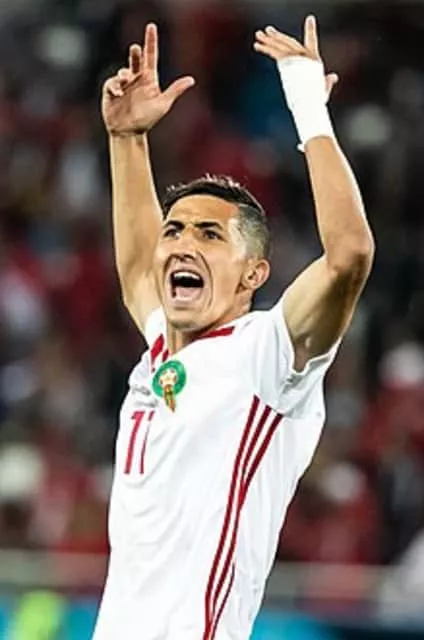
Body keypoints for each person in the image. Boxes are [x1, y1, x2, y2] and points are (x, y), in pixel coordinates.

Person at [94, 16, 374, 640]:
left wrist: (307, 107)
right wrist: (127, 139)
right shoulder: (161, 351)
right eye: (174, 230)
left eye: (209, 235)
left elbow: (350, 255)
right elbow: (138, 269)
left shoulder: (268, 356)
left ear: (253, 274)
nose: (181, 244)